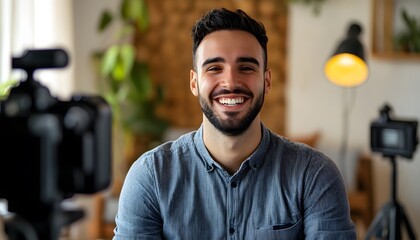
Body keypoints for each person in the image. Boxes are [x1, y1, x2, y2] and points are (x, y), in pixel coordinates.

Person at [113, 8, 356, 239]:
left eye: (246, 67)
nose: (230, 81)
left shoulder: (314, 176)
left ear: (267, 80)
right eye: (214, 68)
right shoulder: (150, 177)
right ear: (194, 82)